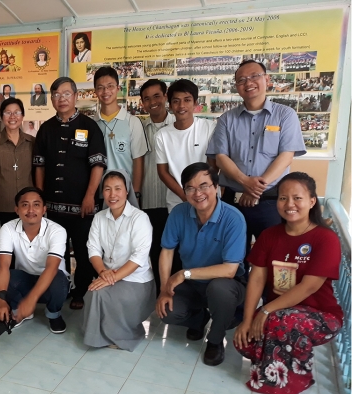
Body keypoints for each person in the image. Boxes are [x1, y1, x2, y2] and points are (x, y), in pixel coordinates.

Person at [234, 172, 342, 394]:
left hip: (321, 315)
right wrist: (247, 320)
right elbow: (257, 278)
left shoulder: (325, 238)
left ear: (312, 201)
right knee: (244, 339)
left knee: (282, 321)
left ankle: (295, 377)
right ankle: (277, 356)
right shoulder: (269, 235)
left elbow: (309, 287)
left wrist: (265, 310)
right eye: (283, 198)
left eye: (297, 198)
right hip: (278, 312)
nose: (289, 204)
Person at [207, 60, 306, 257]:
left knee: (273, 257)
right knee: (232, 258)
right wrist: (246, 183)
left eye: (254, 76)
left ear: (267, 79)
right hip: (233, 201)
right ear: (237, 87)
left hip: (271, 202)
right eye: (241, 79)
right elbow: (221, 157)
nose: (248, 82)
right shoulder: (227, 119)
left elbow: (286, 156)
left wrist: (255, 190)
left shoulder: (285, 115)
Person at [156, 163, 246, 366]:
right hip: (193, 284)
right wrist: (164, 289)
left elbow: (230, 270)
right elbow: (167, 251)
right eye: (190, 188)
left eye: (204, 186)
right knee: (167, 311)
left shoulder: (233, 219)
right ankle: (199, 319)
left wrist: (183, 274)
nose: (198, 193)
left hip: (226, 284)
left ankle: (215, 340)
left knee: (220, 290)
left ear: (216, 187)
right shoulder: (179, 213)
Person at [34, 77, 107, 310]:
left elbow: (98, 166)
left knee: (85, 250)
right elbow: (40, 166)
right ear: (52, 99)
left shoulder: (89, 126)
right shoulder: (45, 129)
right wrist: (39, 198)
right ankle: (61, 287)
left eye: (66, 93)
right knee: (57, 250)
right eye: (56, 94)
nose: (61, 98)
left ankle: (81, 290)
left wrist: (89, 196)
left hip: (82, 206)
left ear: (75, 96)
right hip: (53, 207)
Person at [84, 170, 155, 351]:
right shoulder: (99, 218)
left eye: (118, 188)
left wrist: (111, 278)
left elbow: (138, 257)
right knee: (93, 292)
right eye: (107, 189)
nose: (112, 194)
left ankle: (126, 335)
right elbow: (93, 249)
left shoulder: (140, 218)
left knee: (102, 293)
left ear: (127, 191)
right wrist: (103, 272)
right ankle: (99, 336)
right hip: (108, 276)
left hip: (136, 280)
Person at [0, 187, 69, 333]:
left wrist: (31, 300)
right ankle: (18, 310)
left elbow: (51, 268)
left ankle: (53, 314)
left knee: (58, 280)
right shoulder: (8, 228)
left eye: (36, 205)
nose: (30, 210)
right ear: (17, 210)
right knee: (10, 277)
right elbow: (3, 265)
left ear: (44, 209)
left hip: (50, 282)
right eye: (24, 205)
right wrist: (1, 299)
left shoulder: (57, 231)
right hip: (25, 280)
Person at [155, 79, 216, 212]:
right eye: (176, 101)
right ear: (170, 105)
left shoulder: (209, 128)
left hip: (207, 198)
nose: (181, 105)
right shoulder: (162, 135)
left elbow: (214, 166)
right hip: (178, 201)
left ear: (195, 103)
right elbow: (163, 172)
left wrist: (200, 194)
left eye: (187, 100)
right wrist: (185, 195)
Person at [139, 79, 176, 293]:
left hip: (177, 200)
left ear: (165, 97)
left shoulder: (178, 126)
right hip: (150, 201)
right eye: (147, 98)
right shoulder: (141, 129)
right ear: (142, 103)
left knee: (178, 251)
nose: (152, 102)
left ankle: (178, 294)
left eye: (156, 96)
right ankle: (161, 293)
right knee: (155, 250)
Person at [93, 67, 148, 207]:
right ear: (95, 91)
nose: (106, 92)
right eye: (100, 87)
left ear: (118, 88)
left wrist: (135, 193)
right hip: (98, 195)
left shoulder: (132, 122)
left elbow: (138, 161)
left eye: (110, 86)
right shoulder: (91, 124)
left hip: (126, 195)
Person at [0, 98, 34, 226]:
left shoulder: (32, 142)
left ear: (22, 116)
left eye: (17, 112)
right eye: (7, 113)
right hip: (0, 206)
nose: (12, 116)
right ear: (2, 116)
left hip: (28, 207)